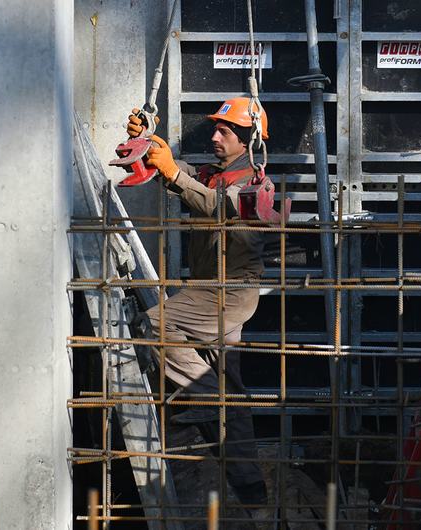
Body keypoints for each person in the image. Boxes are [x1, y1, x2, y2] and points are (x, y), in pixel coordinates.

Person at [126, 97, 268, 505]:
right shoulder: (215, 173)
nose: (215, 136)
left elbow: (215, 205)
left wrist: (172, 172)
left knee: (154, 325)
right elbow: (185, 177)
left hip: (230, 292)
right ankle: (250, 489)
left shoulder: (256, 180)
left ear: (248, 140)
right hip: (213, 289)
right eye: (216, 129)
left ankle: (205, 397)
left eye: (224, 131)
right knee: (233, 392)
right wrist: (150, 146)